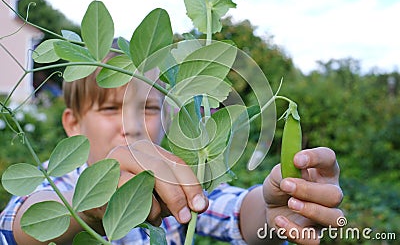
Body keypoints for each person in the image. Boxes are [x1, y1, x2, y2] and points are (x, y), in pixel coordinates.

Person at [0, 48, 344, 245]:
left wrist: (276, 208)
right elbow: (18, 225)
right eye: (109, 108)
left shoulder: (177, 182)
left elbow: (235, 212)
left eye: (147, 108)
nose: (130, 124)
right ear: (72, 123)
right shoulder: (56, 183)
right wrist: (88, 207)